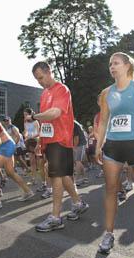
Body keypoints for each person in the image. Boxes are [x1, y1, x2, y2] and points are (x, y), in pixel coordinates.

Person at [95, 52, 134, 254]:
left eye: (116, 63)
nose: (112, 67)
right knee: (111, 189)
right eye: (110, 64)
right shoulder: (106, 93)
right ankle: (109, 233)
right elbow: (103, 121)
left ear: (127, 65)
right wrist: (98, 144)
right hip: (113, 145)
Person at [31, 61, 89, 232]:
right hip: (49, 140)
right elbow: (45, 123)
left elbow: (55, 113)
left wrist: (35, 116)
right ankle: (78, 203)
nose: (39, 82)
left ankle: (56, 218)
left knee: (56, 176)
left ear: (49, 72)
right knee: (62, 175)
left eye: (41, 77)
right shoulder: (44, 94)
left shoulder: (62, 89)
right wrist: (40, 143)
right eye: (37, 79)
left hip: (61, 139)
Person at [24, 108, 41, 185]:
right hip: (29, 141)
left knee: (39, 160)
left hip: (36, 141)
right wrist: (26, 135)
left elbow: (38, 133)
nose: (25, 116)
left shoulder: (36, 122)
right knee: (32, 161)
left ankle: (42, 179)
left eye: (26, 114)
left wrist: (31, 136)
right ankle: (33, 178)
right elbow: (26, 131)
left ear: (31, 115)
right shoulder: (25, 122)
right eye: (24, 115)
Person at [73, 120, 89, 186]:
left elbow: (76, 137)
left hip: (80, 143)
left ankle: (76, 180)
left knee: (77, 161)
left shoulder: (73, 123)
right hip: (79, 143)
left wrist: (74, 147)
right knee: (78, 161)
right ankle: (85, 178)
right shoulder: (74, 122)